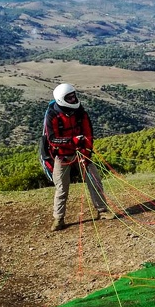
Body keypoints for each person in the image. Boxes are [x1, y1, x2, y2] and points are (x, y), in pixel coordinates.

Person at [44, 83, 110, 231]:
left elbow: (88, 133)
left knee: (95, 181)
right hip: (62, 157)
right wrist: (72, 141)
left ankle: (102, 211)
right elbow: (52, 139)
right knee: (61, 188)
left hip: (81, 153)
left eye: (74, 95)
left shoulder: (80, 112)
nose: (73, 99)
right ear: (62, 99)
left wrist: (85, 153)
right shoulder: (53, 115)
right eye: (70, 97)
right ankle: (58, 219)